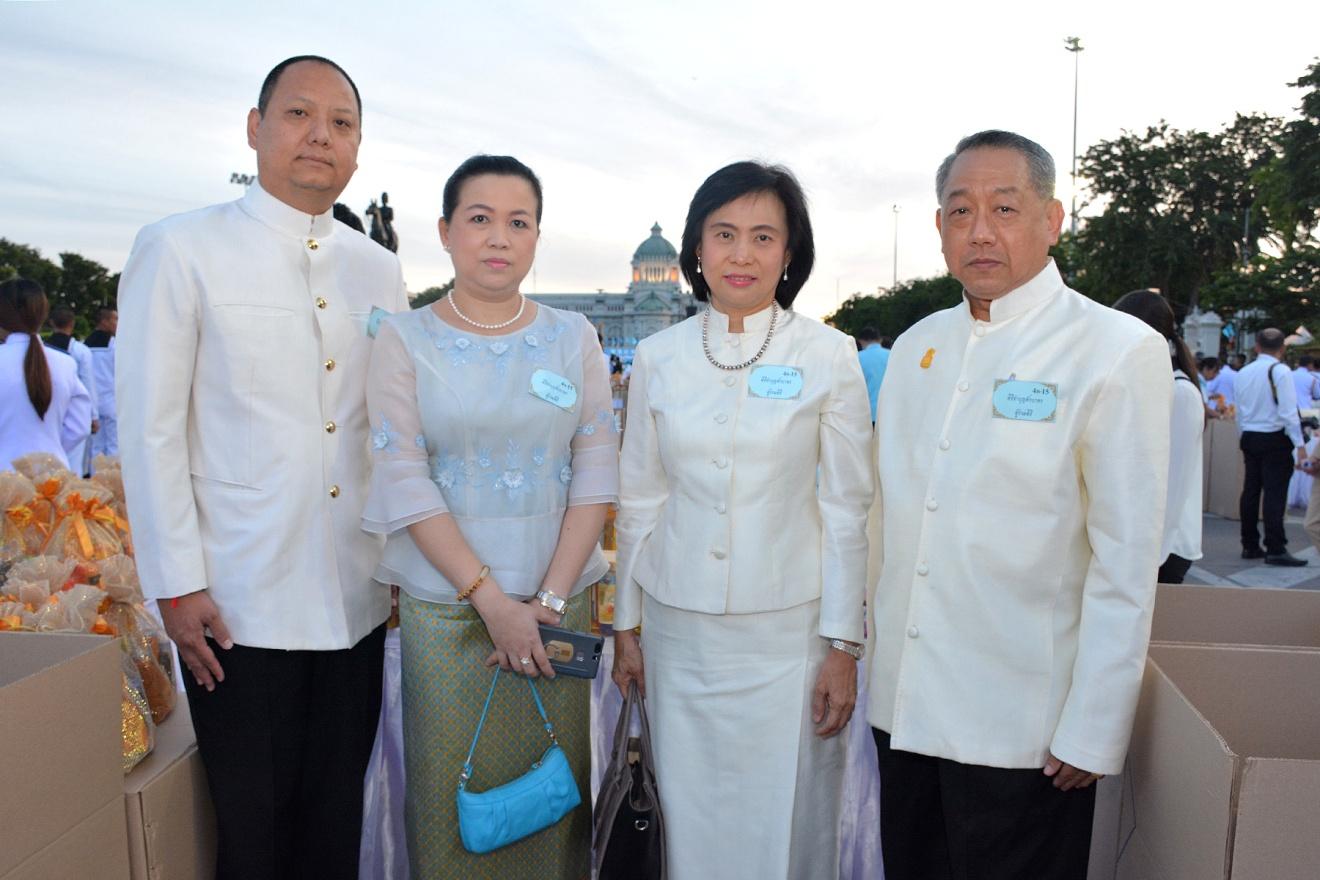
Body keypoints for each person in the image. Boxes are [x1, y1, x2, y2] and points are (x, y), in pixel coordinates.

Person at [116, 55, 409, 880]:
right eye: (299, 114)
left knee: (333, 830)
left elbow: (380, 428)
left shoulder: (374, 267)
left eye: (342, 123)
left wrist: (393, 556)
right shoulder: (180, 248)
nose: (321, 135)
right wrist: (175, 582)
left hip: (353, 597)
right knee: (254, 838)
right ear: (255, 128)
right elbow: (151, 430)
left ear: (358, 149)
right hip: (234, 607)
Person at [867, 130, 1171, 880]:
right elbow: (883, 519)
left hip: (1025, 729)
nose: (980, 231)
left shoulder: (1112, 348)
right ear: (938, 227)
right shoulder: (917, 347)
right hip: (904, 713)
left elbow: (1125, 556)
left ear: (1052, 219)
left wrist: (1094, 728)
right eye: (960, 211)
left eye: (1004, 208)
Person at [612, 161, 874, 880]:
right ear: (696, 248)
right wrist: (625, 626)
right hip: (678, 632)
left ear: (790, 254)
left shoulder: (828, 355)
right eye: (724, 234)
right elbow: (639, 498)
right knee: (688, 831)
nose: (741, 254)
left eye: (763, 237)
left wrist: (843, 645)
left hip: (789, 635)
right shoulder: (658, 355)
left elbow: (848, 505)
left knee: (787, 827)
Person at [364, 154, 614, 878]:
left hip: (558, 610)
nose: (498, 237)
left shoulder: (575, 338)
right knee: (456, 807)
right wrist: (494, 604)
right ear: (445, 231)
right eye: (479, 219)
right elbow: (404, 477)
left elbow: (596, 468)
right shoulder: (404, 339)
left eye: (518, 221)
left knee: (548, 804)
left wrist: (550, 600)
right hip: (450, 615)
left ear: (537, 237)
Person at [1113, 290, 1204, 583]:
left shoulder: (1180, 394)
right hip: (1140, 543)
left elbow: (1173, 483)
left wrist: (1149, 558)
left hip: (1164, 549)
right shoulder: (1152, 384)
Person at [1234, 328, 1309, 566]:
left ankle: (1249, 543)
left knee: (1251, 491)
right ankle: (1275, 547)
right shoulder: (1280, 371)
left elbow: (1239, 411)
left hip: (1250, 435)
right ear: (1282, 348)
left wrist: (1243, 435)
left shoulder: (1243, 372)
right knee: (1274, 494)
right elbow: (1288, 412)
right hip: (1274, 437)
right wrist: (1300, 445)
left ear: (1257, 346)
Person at [0, 279, 91, 471]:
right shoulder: (65, 363)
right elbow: (80, 427)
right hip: (52, 481)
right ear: (42, 314)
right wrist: (48, 452)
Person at [46, 306, 100, 475]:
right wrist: (93, 415)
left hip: (48, 407)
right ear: (72, 324)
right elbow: (88, 384)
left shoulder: (41, 349)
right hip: (73, 410)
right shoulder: (81, 351)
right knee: (73, 463)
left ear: (51, 323)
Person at [84, 306, 118, 460]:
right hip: (111, 398)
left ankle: (95, 481)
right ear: (104, 321)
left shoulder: (84, 344)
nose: (117, 323)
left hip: (92, 401)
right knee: (114, 444)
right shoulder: (114, 344)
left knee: (96, 447)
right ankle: (113, 480)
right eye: (115, 319)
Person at [856, 325, 890, 423]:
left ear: (861, 341)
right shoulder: (892, 355)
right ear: (880, 340)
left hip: (867, 414)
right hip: (890, 413)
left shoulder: (857, 358)